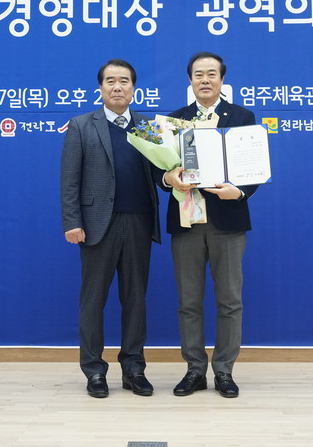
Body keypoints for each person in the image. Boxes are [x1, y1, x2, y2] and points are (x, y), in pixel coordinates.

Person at [60, 59, 161, 399]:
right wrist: (72, 221)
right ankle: (94, 370)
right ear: (101, 87)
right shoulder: (81, 125)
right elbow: (69, 180)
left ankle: (134, 369)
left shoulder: (148, 126)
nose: (117, 86)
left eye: (124, 81)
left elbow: (161, 172)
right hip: (95, 226)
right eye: (110, 81)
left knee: (135, 299)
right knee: (93, 300)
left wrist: (178, 176)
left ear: (134, 88)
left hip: (139, 221)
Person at [163, 51, 258, 399]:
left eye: (211, 74)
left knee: (229, 301)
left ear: (222, 79)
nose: (205, 80)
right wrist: (168, 177)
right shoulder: (174, 121)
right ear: (190, 80)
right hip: (187, 220)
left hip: (227, 221)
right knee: (188, 301)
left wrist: (240, 191)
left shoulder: (242, 117)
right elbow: (160, 169)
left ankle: (224, 371)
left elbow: (253, 165)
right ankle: (194, 370)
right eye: (198, 74)